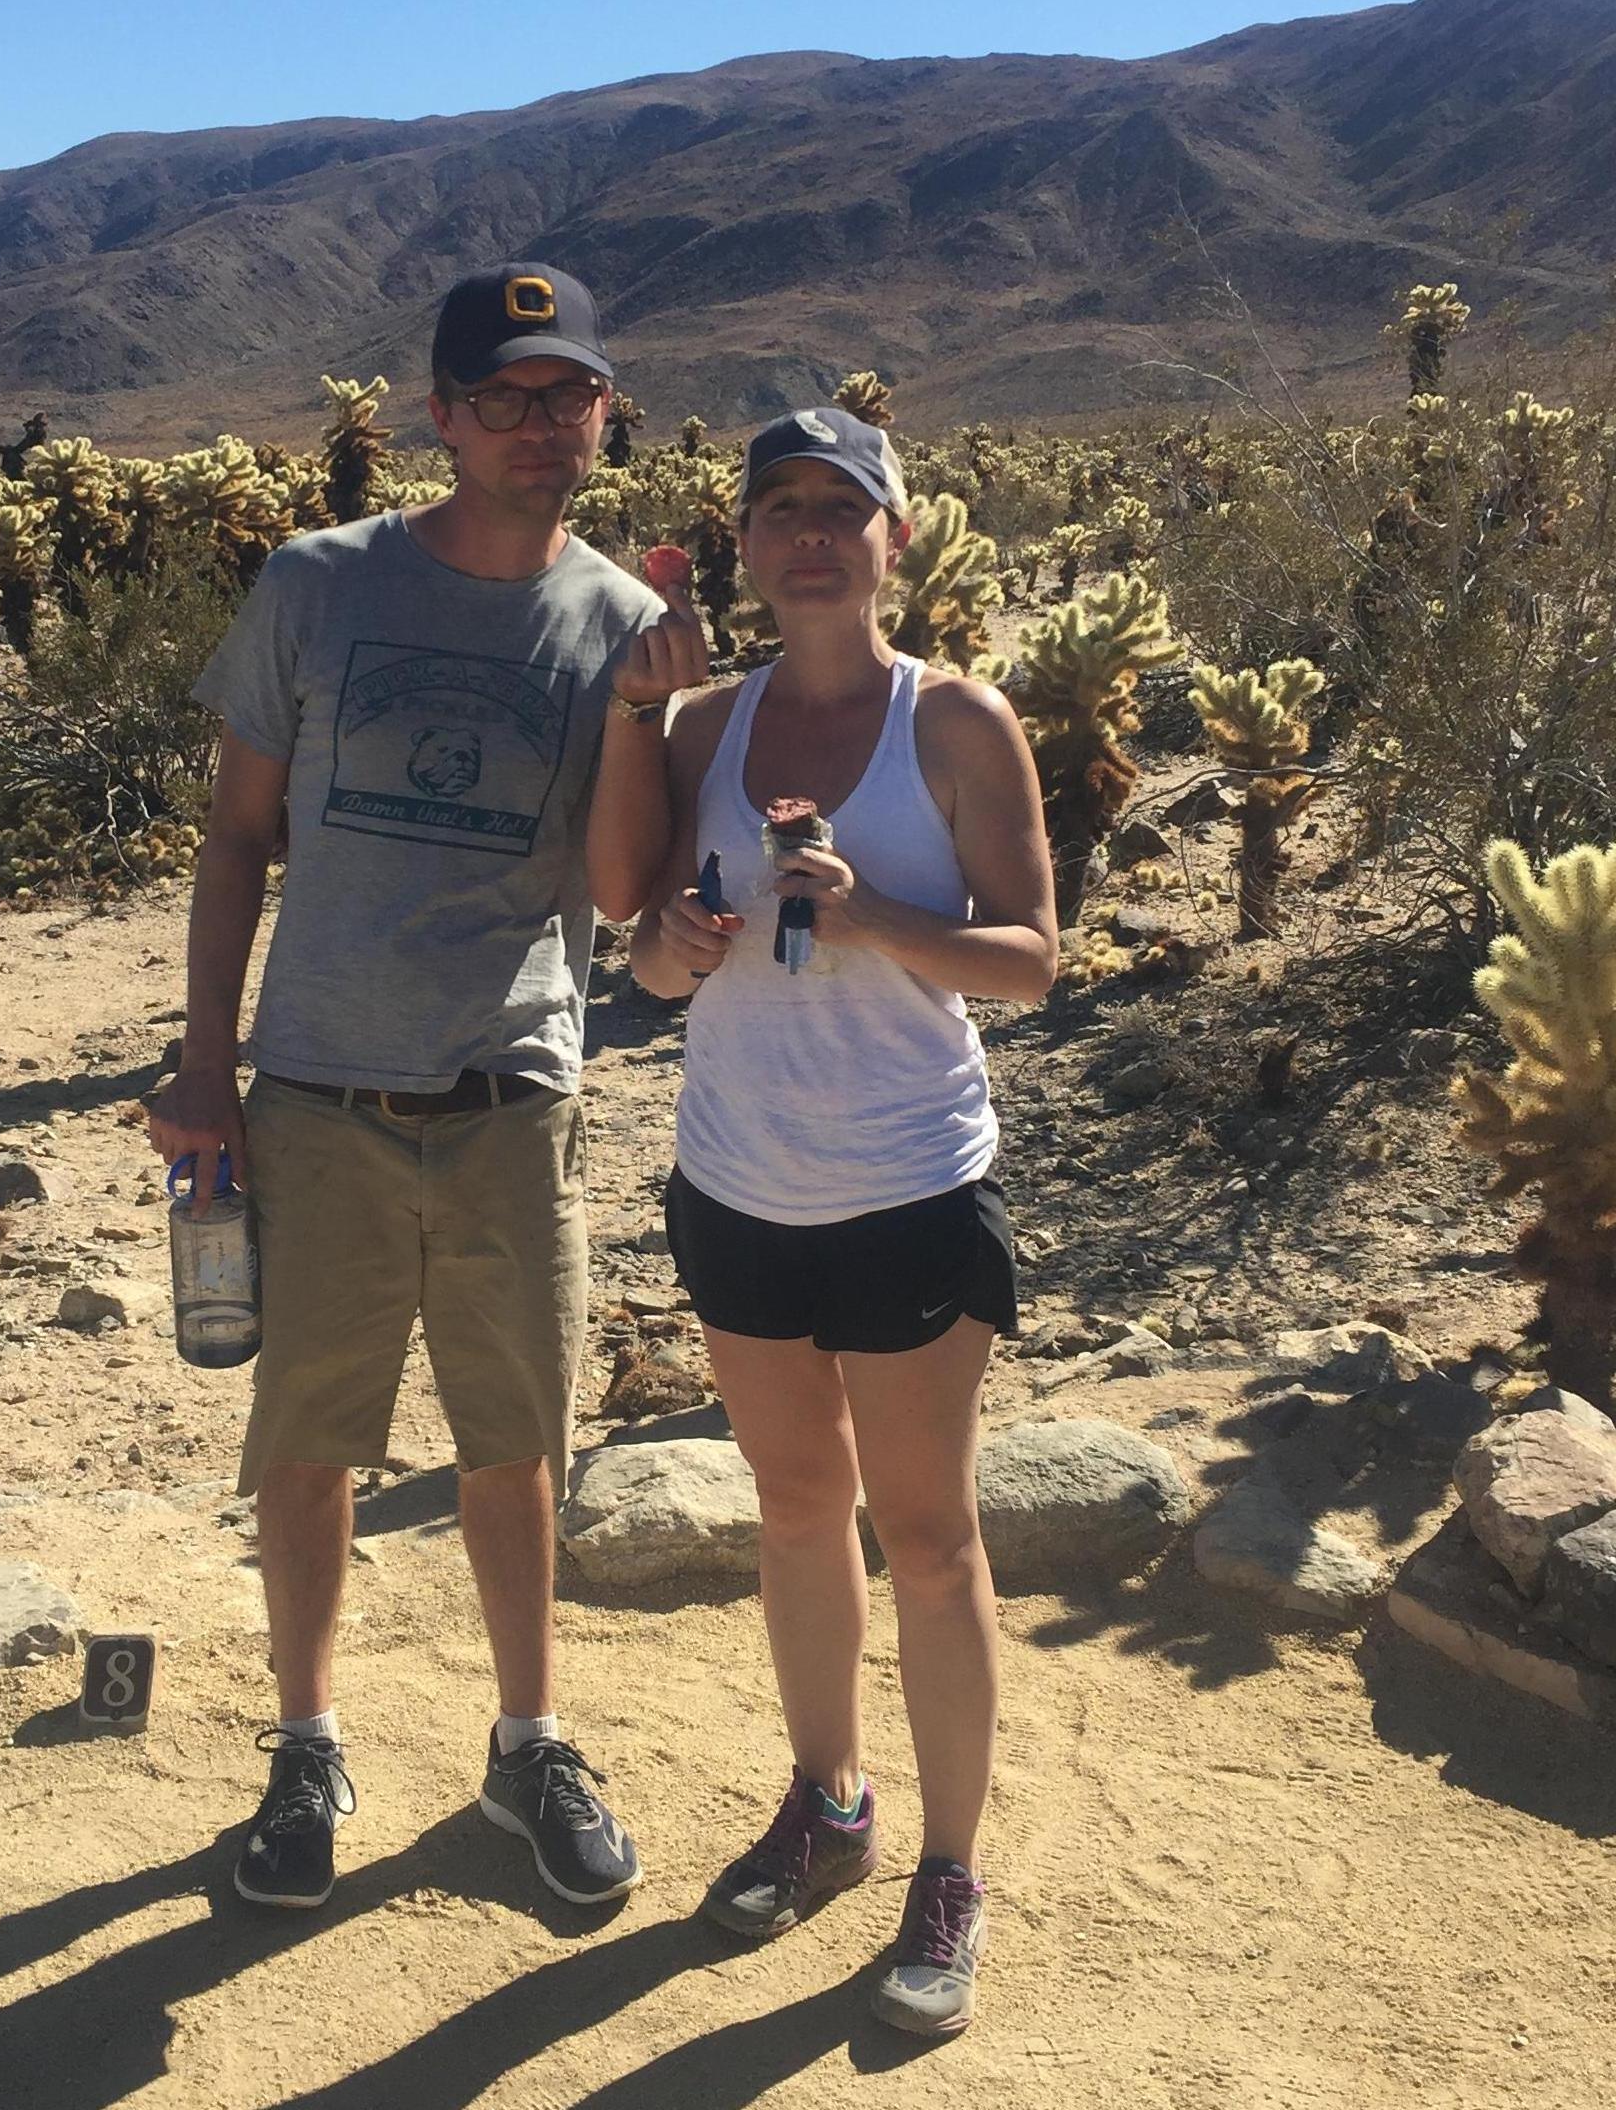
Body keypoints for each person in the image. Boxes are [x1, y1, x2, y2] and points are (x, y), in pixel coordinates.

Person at [151, 262, 705, 1913]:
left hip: (511, 1088)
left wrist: (647, 708)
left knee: (512, 1437)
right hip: (315, 1084)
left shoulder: (623, 623)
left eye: (571, 394)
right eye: (505, 398)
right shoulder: (316, 586)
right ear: (442, 419)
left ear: (607, 410)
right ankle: (307, 1738)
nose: (541, 425)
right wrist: (201, 1059)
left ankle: (528, 1739)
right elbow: (238, 836)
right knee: (306, 1437)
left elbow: (617, 892)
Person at [594, 407, 1057, 2036]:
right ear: (744, 542)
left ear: (895, 538)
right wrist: (680, 953)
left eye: (839, 508)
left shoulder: (958, 724)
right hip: (739, 1181)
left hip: (910, 1181)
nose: (809, 534)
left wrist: (877, 918)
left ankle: (950, 1866)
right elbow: (636, 948)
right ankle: (828, 1802)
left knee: (928, 1541)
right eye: (778, 507)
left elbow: (1031, 961)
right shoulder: (699, 722)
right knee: (797, 1512)